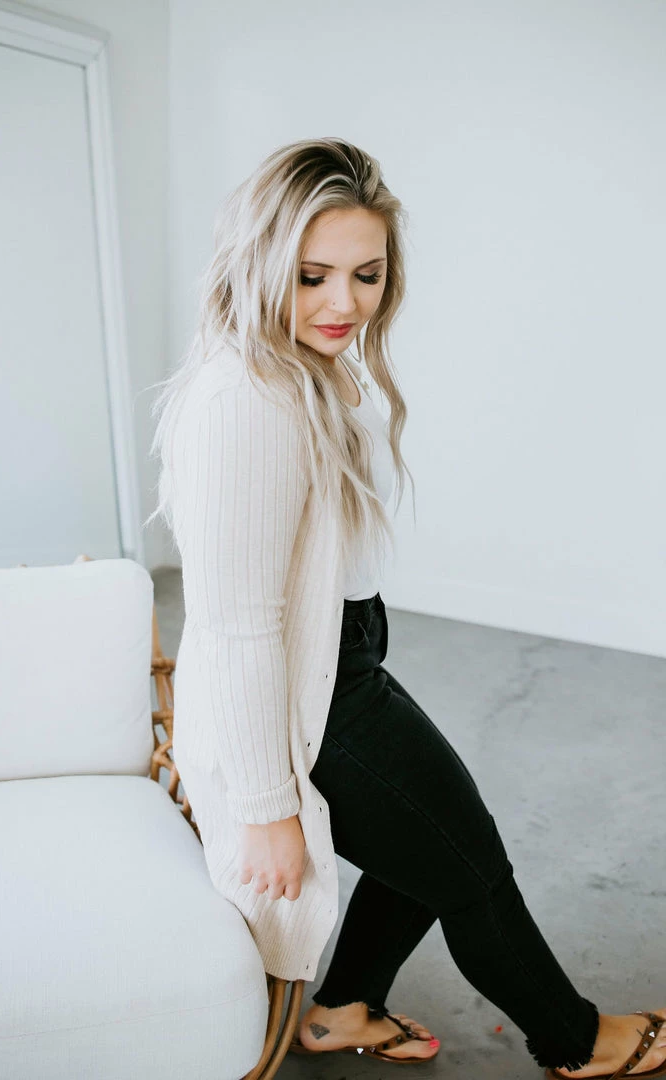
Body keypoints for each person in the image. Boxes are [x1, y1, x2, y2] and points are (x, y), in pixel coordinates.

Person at [147, 137, 666, 1077]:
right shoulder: (244, 403)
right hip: (309, 697)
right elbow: (237, 624)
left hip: (343, 662)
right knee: (469, 868)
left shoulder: (308, 366)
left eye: (367, 274)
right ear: (259, 264)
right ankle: (579, 1042)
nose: (344, 303)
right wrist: (266, 808)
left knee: (433, 842)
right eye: (312, 276)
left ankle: (342, 1008)